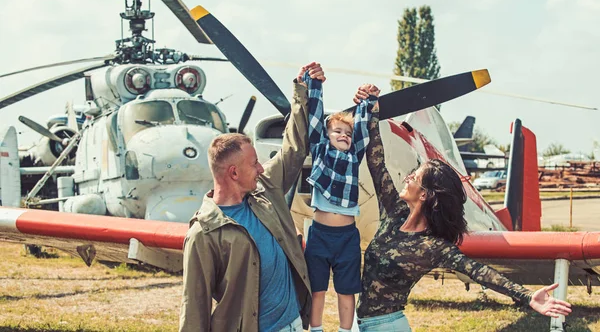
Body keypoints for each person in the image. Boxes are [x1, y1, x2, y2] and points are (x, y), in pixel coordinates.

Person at [352, 84, 572, 332]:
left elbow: (481, 273)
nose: (406, 178)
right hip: (360, 323)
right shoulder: (395, 213)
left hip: (387, 326)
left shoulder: (433, 247)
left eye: (413, 177)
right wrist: (370, 106)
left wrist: (527, 297)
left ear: (424, 194)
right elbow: (376, 160)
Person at [178, 62, 325, 332]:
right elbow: (194, 308)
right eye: (254, 163)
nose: (261, 168)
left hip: (294, 324)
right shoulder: (203, 234)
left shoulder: (265, 189)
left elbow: (293, 148)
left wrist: (302, 92)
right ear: (234, 173)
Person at [301, 70, 376, 332]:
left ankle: (346, 331)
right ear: (327, 135)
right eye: (337, 131)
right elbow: (313, 119)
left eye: (347, 132)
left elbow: (362, 130)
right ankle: (317, 329)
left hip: (347, 236)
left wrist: (366, 100)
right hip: (319, 234)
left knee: (346, 291)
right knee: (318, 288)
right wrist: (315, 85)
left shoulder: (354, 155)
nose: (344, 135)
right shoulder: (320, 150)